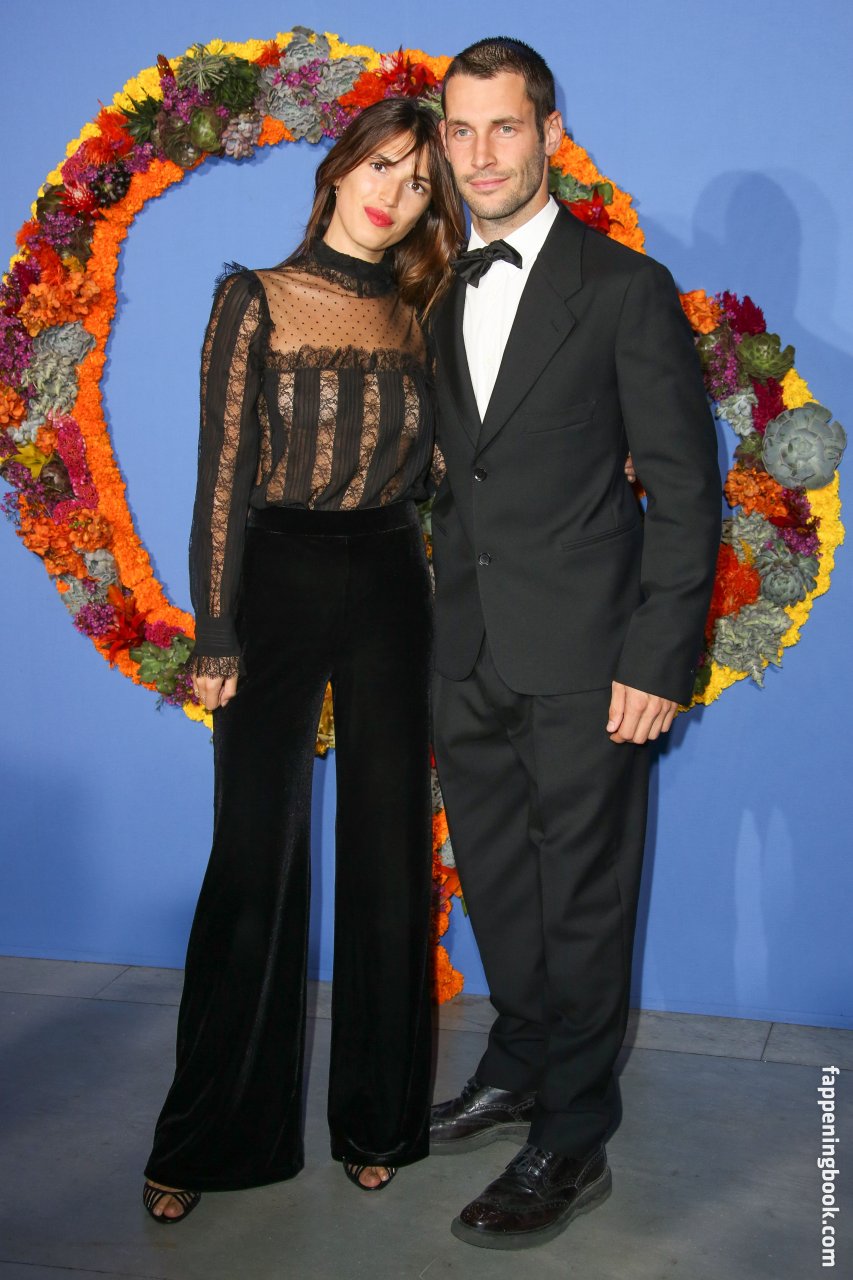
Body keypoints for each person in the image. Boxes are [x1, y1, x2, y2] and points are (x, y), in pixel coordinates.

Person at [141, 97, 465, 1223]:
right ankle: (211, 1134)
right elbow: (221, 472)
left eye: (418, 185)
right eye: (383, 167)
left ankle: (378, 1120)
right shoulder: (254, 297)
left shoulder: (422, 313)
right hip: (273, 580)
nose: (394, 196)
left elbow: (444, 472)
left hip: (391, 580)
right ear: (338, 169)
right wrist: (214, 628)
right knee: (253, 856)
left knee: (389, 853)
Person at [428, 38, 722, 1250]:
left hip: (594, 658)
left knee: (585, 902)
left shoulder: (622, 287)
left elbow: (685, 490)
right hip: (467, 650)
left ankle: (573, 1131)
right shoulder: (435, 286)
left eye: (504, 126)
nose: (481, 154)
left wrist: (658, 658)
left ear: (548, 132)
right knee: (501, 884)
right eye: (460, 130)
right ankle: (518, 1062)